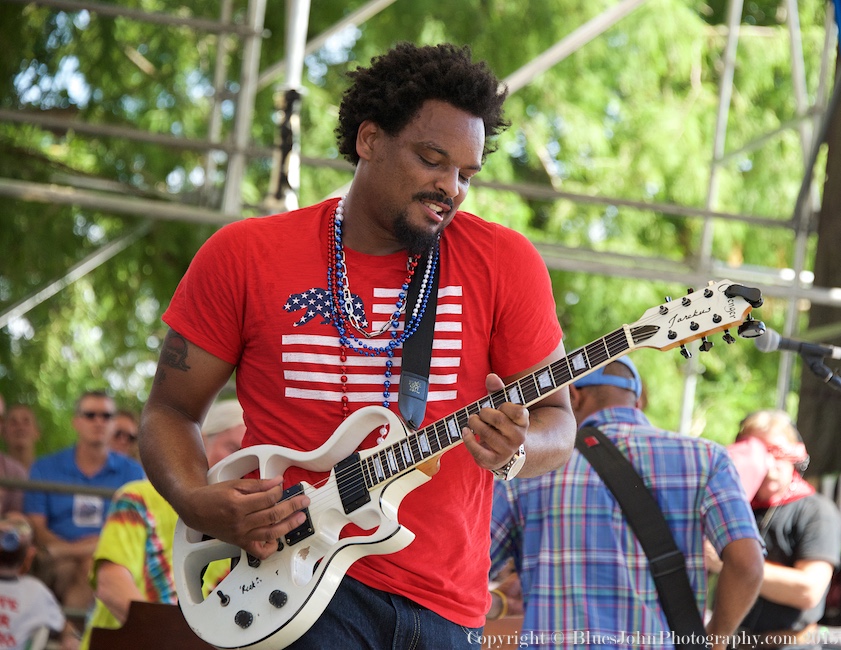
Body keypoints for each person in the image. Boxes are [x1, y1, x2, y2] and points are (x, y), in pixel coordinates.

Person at [139, 41, 576, 649]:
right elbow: (169, 410)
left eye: (466, 174)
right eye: (432, 159)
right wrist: (194, 499)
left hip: (448, 606)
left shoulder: (505, 262)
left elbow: (558, 420)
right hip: (294, 587)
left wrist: (517, 449)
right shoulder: (245, 254)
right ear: (369, 139)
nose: (450, 187)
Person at [489, 358, 765, 650]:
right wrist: (715, 640)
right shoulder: (708, 458)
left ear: (573, 396)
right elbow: (748, 566)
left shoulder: (529, 469)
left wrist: (499, 603)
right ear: (639, 399)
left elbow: (463, 572)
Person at [79, 399, 246, 649]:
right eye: (232, 448)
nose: (240, 463)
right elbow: (111, 585)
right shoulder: (138, 498)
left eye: (249, 454)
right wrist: (171, 641)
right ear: (200, 441)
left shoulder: (247, 527)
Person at [709, 410, 841, 648]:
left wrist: (729, 563)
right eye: (759, 454)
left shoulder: (816, 511)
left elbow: (808, 591)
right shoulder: (733, 506)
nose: (769, 465)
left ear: (795, 456)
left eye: (777, 453)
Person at [23, 391, 145, 612]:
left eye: (106, 416)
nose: (98, 421)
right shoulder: (44, 467)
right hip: (55, 559)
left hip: (103, 558)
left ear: (112, 423)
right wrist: (75, 549)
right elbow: (36, 528)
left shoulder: (133, 472)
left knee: (93, 565)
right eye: (90, 415)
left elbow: (134, 530)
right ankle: (73, 636)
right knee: (86, 565)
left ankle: (66, 637)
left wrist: (69, 550)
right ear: (76, 421)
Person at [0, 514, 79, 650]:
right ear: (29, 556)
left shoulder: (36, 591)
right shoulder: (36, 592)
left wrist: (69, 636)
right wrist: (70, 637)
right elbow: (64, 626)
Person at [2, 404, 41, 471]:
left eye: (26, 422)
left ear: (37, 433)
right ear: (4, 433)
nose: (20, 427)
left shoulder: (50, 475)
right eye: (13, 423)